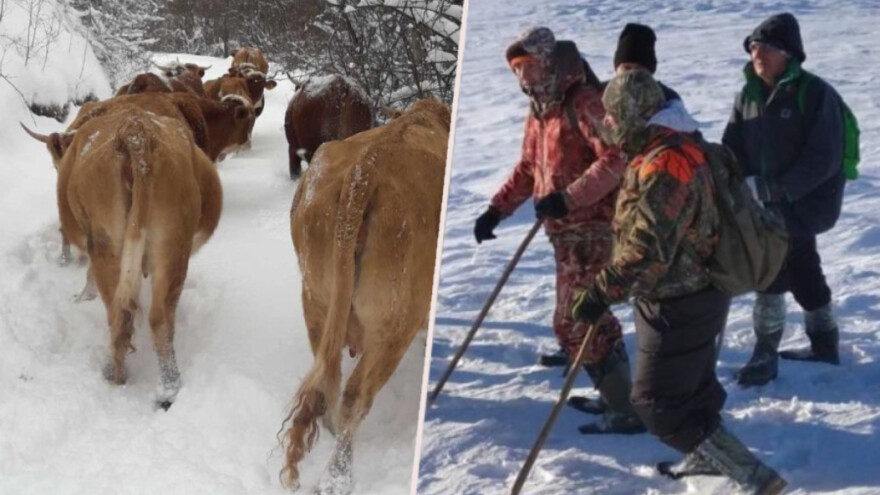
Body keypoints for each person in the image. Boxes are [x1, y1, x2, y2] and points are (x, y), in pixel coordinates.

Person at [572, 70, 786, 494]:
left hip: (679, 300)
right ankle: (707, 460)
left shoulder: (666, 162)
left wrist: (600, 293)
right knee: (692, 393)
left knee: (660, 406)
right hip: (688, 293)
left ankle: (755, 479)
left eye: (614, 118)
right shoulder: (670, 147)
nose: (609, 127)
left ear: (635, 115)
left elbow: (648, 247)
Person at [473, 27, 643, 434]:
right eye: (517, 69)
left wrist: (569, 197)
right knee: (581, 319)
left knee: (576, 321)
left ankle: (626, 409)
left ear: (549, 62)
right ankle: (617, 398)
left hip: (595, 228)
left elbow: (618, 156)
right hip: (564, 234)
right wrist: (496, 210)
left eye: (529, 66)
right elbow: (529, 168)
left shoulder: (584, 102)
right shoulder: (539, 111)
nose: (523, 77)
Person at [723, 12, 844, 387]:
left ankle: (765, 354)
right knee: (803, 266)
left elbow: (825, 157)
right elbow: (733, 146)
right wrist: (731, 180)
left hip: (805, 203)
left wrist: (774, 189)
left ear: (789, 54)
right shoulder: (748, 95)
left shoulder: (815, 93)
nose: (758, 53)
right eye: (754, 46)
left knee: (771, 270)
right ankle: (825, 343)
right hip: (763, 204)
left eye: (768, 47)